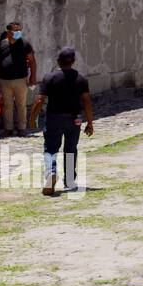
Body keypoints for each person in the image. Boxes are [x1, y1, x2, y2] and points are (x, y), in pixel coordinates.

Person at [27, 45, 93, 196]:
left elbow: (39, 100)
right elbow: (87, 102)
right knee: (71, 149)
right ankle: (69, 180)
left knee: (50, 148)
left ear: (58, 61)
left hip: (54, 119)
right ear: (74, 61)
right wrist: (90, 122)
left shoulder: (49, 78)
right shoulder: (81, 79)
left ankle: (51, 173)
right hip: (75, 119)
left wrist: (33, 118)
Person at [0, 21, 38, 137]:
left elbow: (32, 61)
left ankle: (22, 128)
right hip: (4, 80)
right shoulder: (1, 44)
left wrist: (33, 76)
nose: (18, 32)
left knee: (21, 105)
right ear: (8, 32)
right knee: (7, 105)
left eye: (19, 30)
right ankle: (8, 128)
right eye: (15, 30)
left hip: (20, 79)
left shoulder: (25, 43)